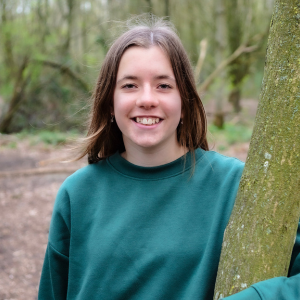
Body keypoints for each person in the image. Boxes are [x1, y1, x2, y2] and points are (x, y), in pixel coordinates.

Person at [38, 16, 300, 300]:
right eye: (129, 86)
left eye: (163, 86)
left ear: (185, 101)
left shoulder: (237, 187)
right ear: (109, 103)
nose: (147, 99)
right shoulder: (77, 194)